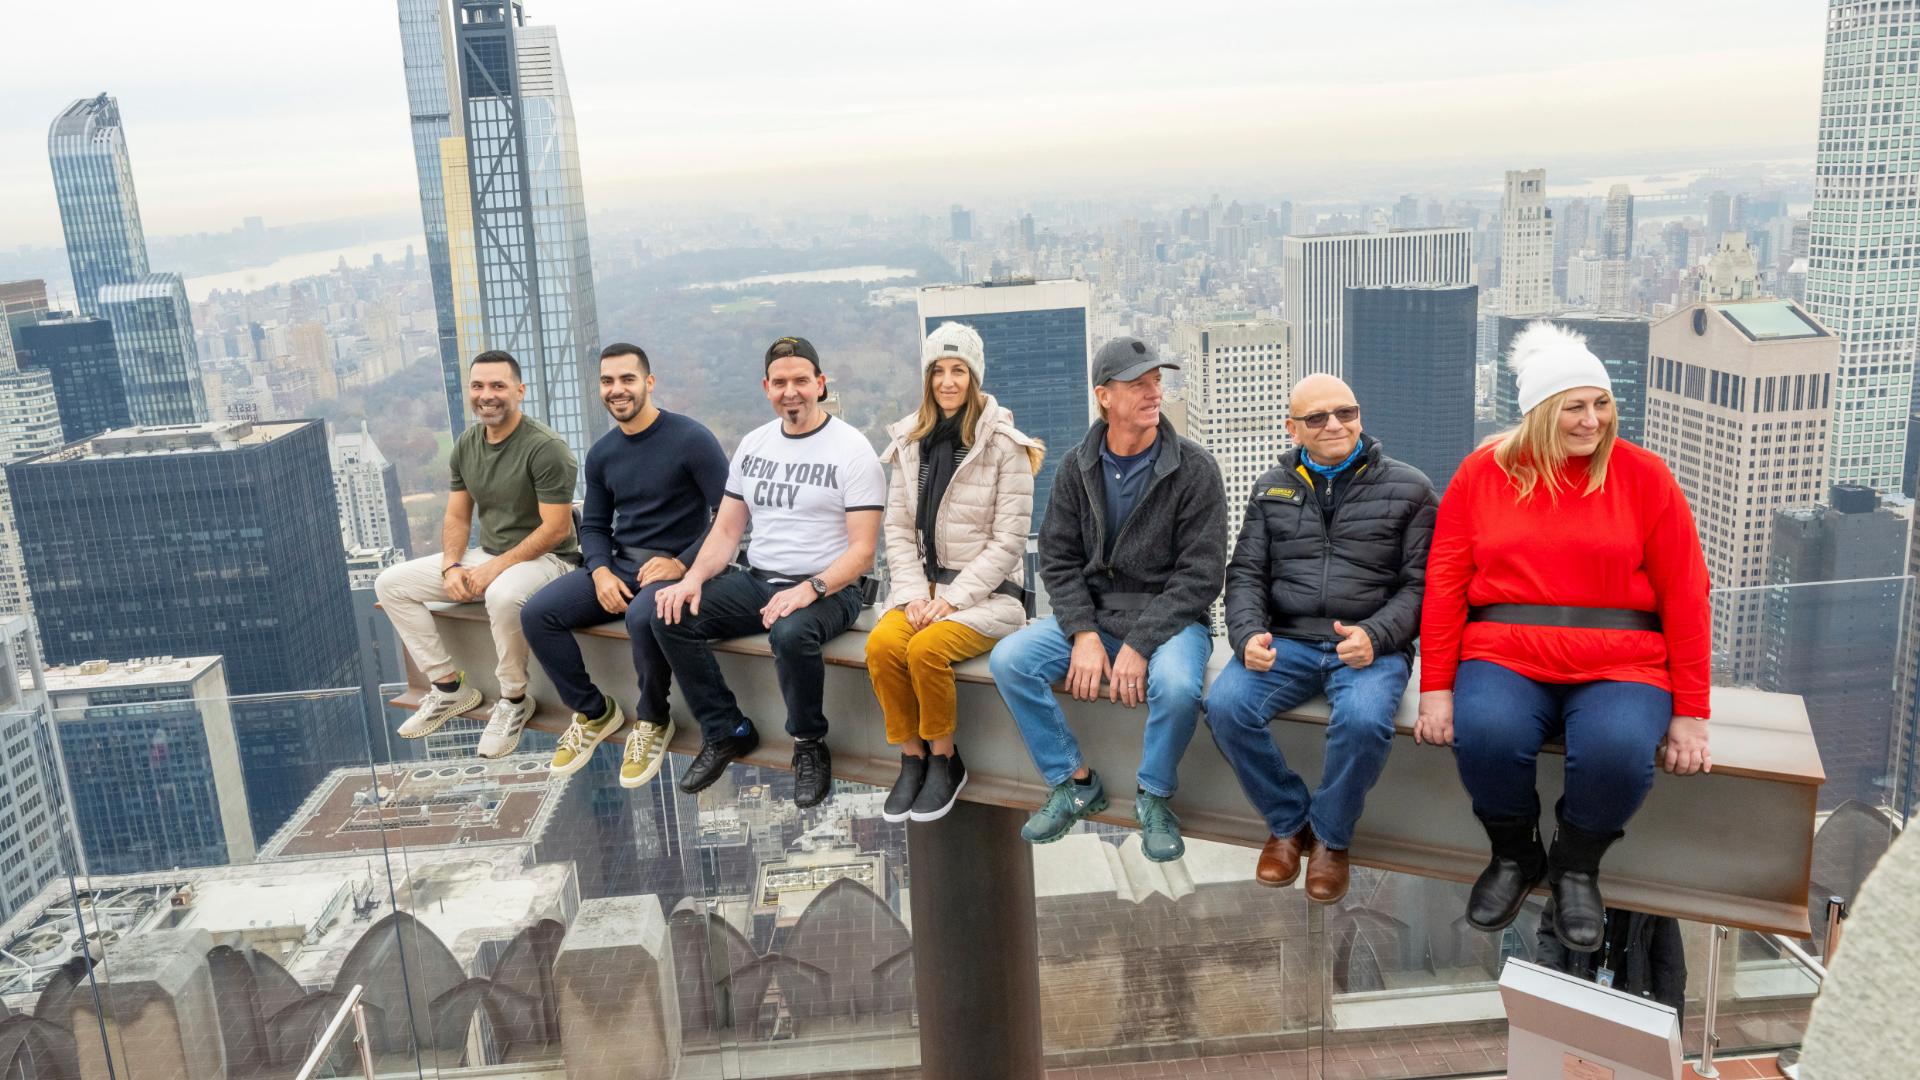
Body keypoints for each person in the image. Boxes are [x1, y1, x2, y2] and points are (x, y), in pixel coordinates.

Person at [1414, 321, 1711, 953]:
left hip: (1622, 660)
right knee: (1488, 734)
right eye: (1574, 406)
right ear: (1539, 412)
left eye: (1601, 403)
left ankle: (1576, 864)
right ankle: (1515, 855)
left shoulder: (1644, 476)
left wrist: (1691, 712)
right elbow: (1444, 585)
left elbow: (1687, 595)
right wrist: (1436, 688)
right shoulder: (1482, 474)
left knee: (1617, 749)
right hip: (1504, 652)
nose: (1593, 420)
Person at [988, 337, 1227, 862]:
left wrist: (1140, 644)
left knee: (1179, 686)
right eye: (1138, 384)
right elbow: (1057, 557)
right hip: (1095, 614)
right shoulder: (1077, 467)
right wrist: (1084, 633)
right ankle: (1073, 780)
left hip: (1170, 621)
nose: (1153, 392)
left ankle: (1155, 796)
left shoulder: (1194, 468)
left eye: (1156, 382)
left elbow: (1202, 575)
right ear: (1104, 396)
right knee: (1010, 660)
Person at [1206, 373, 1436, 903]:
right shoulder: (1271, 488)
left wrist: (1377, 636)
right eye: (1317, 417)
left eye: (1346, 413)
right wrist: (1245, 637)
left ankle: (1331, 837)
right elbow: (1245, 574)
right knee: (1225, 705)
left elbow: (1422, 585)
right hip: (1286, 639)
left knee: (1362, 721)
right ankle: (1287, 823)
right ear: (1293, 429)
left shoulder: (1411, 487)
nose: (1335, 425)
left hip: (1368, 645)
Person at [652, 336, 885, 808]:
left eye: (801, 380)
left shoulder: (852, 449)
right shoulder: (754, 445)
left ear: (820, 384)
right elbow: (726, 533)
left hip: (830, 588)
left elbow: (862, 552)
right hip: (758, 579)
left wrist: (811, 588)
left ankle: (808, 745)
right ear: (766, 387)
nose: (791, 391)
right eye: (780, 382)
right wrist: (692, 578)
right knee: (671, 615)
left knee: (789, 633)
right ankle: (726, 729)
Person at [520, 343, 728, 785]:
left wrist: (682, 563)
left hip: (676, 571)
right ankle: (594, 712)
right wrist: (599, 572)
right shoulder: (602, 454)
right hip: (618, 566)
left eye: (627, 379)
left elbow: (729, 517)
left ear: (648, 383)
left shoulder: (691, 439)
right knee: (538, 614)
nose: (617, 390)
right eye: (607, 381)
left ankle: (652, 719)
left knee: (641, 617)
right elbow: (593, 525)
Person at [867, 323, 1043, 823]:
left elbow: (1008, 541)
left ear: (974, 377)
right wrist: (911, 595)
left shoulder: (1005, 446)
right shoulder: (909, 443)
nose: (948, 381)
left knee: (925, 650)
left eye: (958, 370)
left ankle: (945, 758)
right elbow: (897, 532)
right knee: (881, 646)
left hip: (988, 597)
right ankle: (911, 757)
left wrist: (951, 599)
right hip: (921, 590)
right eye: (938, 371)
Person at [376, 351, 580, 755]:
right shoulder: (467, 444)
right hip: (488, 554)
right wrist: (452, 564)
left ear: (519, 392)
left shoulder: (545, 448)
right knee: (391, 584)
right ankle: (449, 688)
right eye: (478, 386)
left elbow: (556, 528)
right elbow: (456, 516)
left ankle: (515, 701)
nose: (487, 395)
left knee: (502, 594)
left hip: (551, 561)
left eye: (498, 386)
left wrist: (494, 570)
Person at [1534, 903, 1687, 1023]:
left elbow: (1670, 970)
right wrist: (1548, 990)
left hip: (1631, 1009)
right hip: (1577, 1001)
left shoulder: (1650, 889)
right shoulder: (1577, 875)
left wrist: (1671, 1039)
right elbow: (1552, 933)